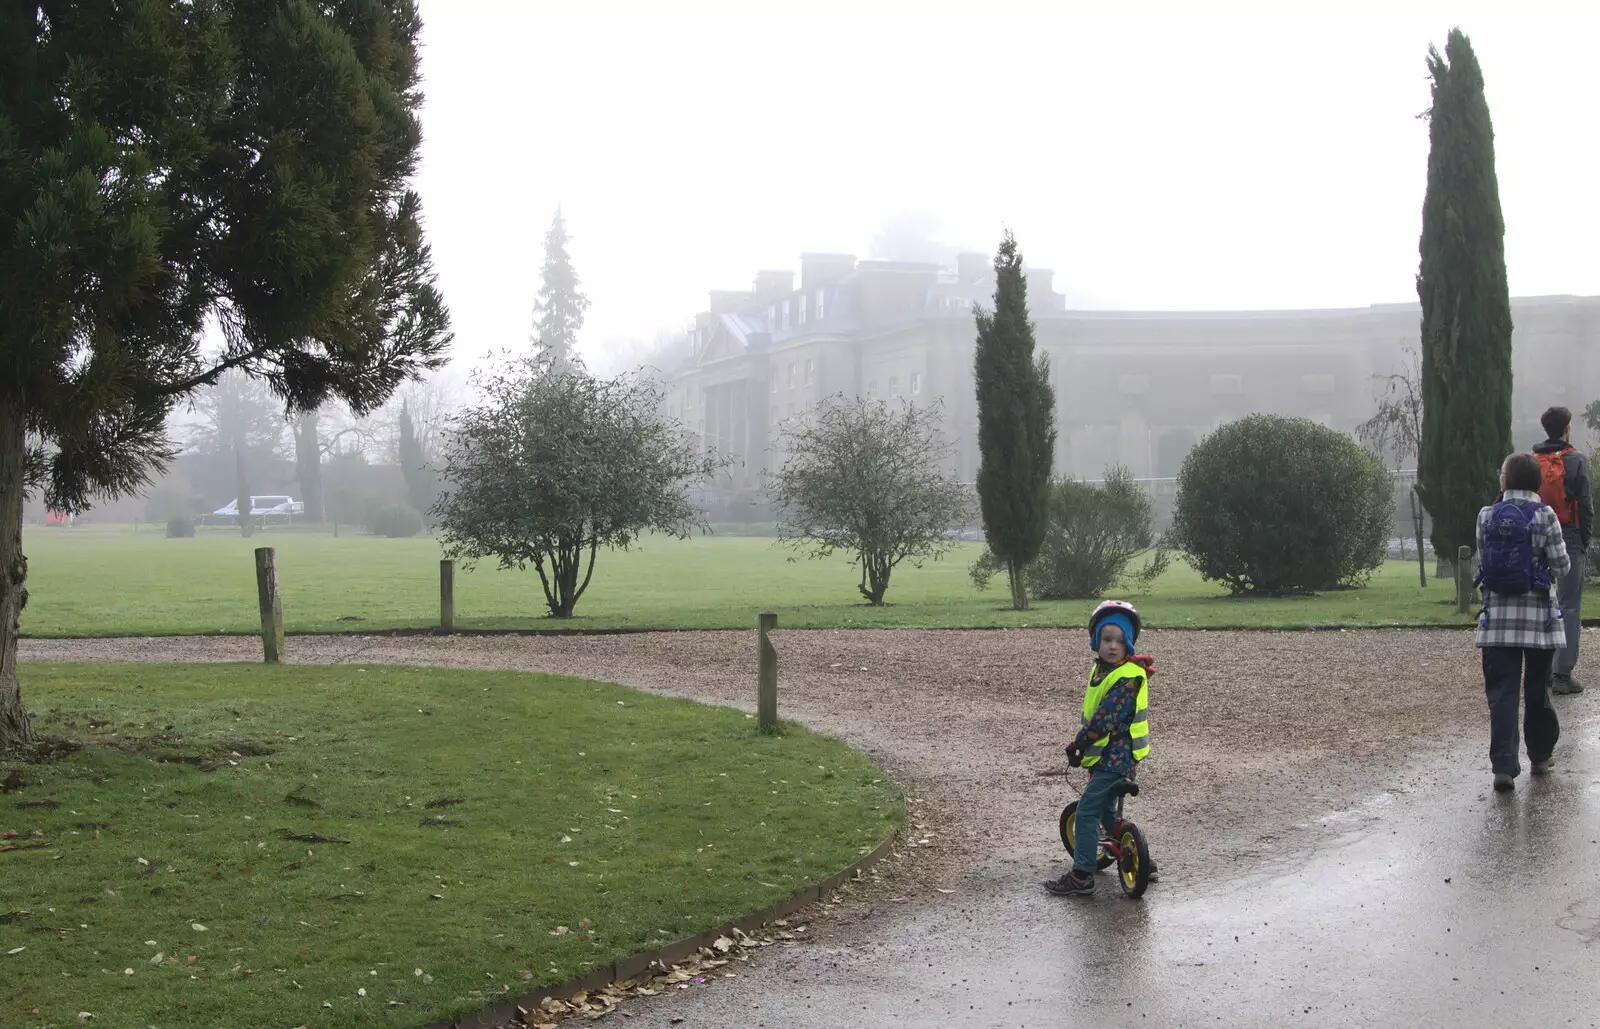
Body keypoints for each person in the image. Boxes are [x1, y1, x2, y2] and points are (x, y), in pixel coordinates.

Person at [1045, 600, 1154, 896]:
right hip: (1105, 758)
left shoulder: (1126, 679)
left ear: (1129, 643)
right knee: (1106, 809)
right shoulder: (1103, 671)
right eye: (1107, 639)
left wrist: (1078, 743)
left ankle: (1082, 875)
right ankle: (1135, 852)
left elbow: (1105, 719)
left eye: (1121, 640)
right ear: (1096, 641)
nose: (1113, 646)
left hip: (1115, 761)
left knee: (1087, 811)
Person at [1476, 452, 1570, 791]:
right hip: (1540, 624)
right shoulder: (1545, 515)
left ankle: (1503, 767)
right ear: (1536, 481)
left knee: (1502, 693)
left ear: (1505, 480)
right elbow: (1562, 566)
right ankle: (1541, 757)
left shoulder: (1486, 515)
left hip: (1497, 623)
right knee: (1538, 689)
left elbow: (1482, 560)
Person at [1532, 406, 1593, 694]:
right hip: (1568, 534)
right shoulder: (1577, 460)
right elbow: (1587, 506)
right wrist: (1583, 540)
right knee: (1569, 605)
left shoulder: (1531, 461)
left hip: (1537, 535)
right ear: (1567, 428)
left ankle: (1541, 670)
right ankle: (1562, 674)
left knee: (1542, 602)